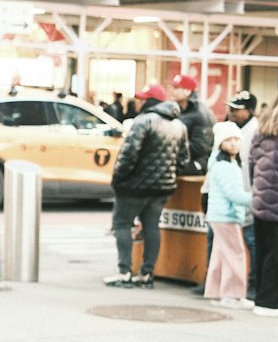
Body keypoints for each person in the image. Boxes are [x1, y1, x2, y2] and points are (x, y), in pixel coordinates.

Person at [104, 83, 189, 288]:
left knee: (122, 224)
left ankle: (124, 271)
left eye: (143, 98)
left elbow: (128, 155)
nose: (139, 102)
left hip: (135, 187)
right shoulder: (180, 125)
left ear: (152, 101)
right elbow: (183, 160)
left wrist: (118, 179)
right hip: (162, 188)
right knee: (152, 226)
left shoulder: (144, 121)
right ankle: (147, 273)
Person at [249, 81, 278, 317]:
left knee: (263, 250)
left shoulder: (263, 128)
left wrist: (257, 190)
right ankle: (273, 304)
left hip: (260, 199)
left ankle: (261, 298)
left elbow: (251, 164)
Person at [203, 122, 254, 308]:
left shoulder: (221, 163)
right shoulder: (225, 166)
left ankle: (217, 292)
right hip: (227, 216)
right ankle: (232, 295)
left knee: (220, 254)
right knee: (236, 254)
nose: (233, 143)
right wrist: (257, 198)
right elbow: (234, 195)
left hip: (220, 215)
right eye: (228, 140)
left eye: (236, 139)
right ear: (220, 143)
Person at [226, 89, 259, 299]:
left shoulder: (256, 131)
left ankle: (254, 281)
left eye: (236, 110)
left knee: (251, 240)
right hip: (239, 192)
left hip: (250, 194)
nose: (231, 112)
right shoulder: (233, 129)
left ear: (249, 111)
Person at [168, 73, 215, 175]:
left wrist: (170, 149)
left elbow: (199, 148)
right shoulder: (178, 110)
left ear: (187, 91)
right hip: (181, 159)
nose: (172, 90)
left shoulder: (201, 113)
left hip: (198, 163)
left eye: (176, 88)